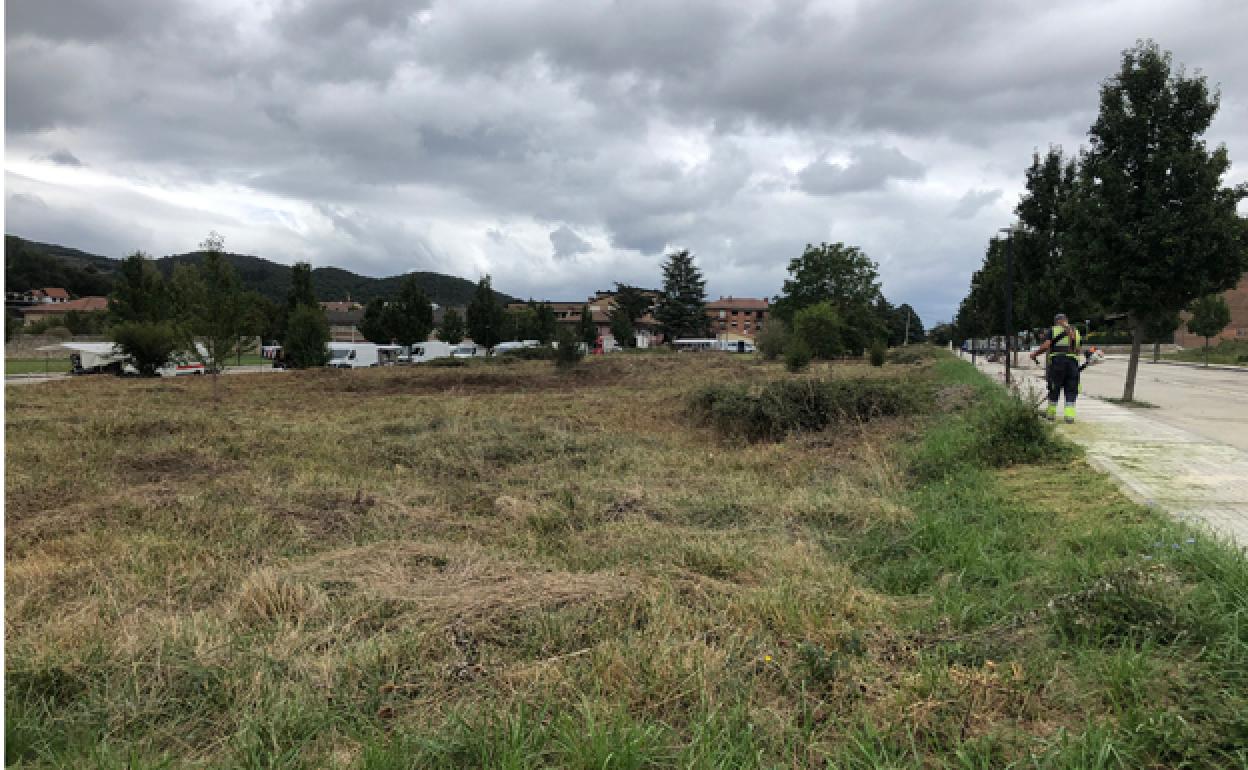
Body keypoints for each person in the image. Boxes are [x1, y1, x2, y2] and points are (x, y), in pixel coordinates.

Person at [1029, 313, 1082, 423]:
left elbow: (1046, 346)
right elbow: (1078, 349)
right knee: (1071, 388)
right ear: (1066, 320)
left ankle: (1050, 414)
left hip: (1058, 362)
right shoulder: (1076, 331)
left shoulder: (1053, 330)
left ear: (1056, 321)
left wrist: (1034, 354)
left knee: (1054, 387)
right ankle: (1069, 417)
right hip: (1073, 363)